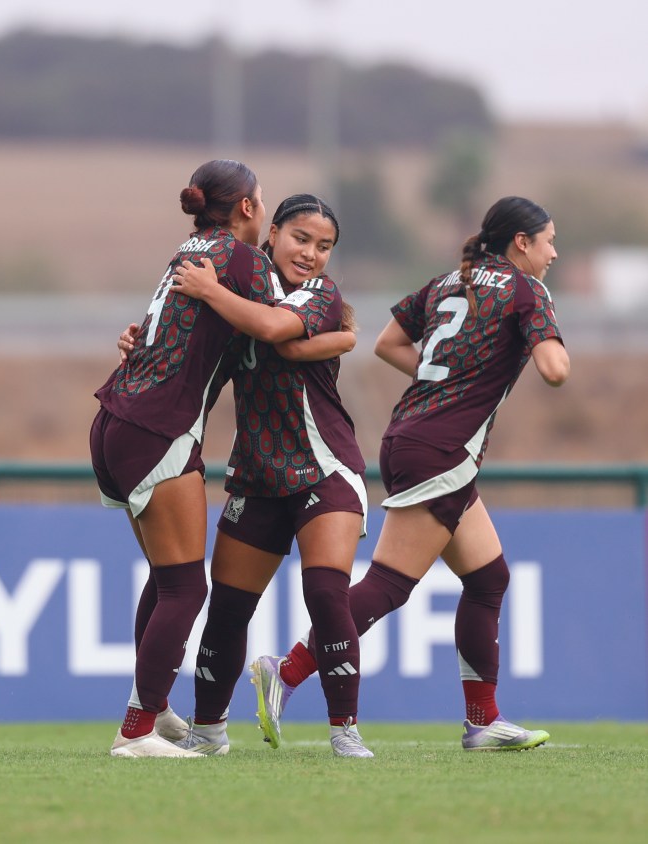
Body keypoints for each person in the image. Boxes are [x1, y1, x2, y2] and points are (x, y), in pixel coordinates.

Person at [251, 195, 571, 751]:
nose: (554, 252)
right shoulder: (527, 290)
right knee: (388, 586)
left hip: (412, 436)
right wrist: (544, 347)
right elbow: (554, 371)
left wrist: (444, 381)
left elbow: (387, 343)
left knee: (488, 578)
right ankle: (285, 672)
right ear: (521, 243)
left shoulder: (451, 280)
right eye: (548, 241)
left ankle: (483, 720)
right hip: (441, 450)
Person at [90, 158, 301, 758]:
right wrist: (344, 331)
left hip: (116, 418)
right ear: (249, 208)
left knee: (167, 577)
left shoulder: (189, 249)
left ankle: (152, 712)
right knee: (186, 586)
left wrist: (140, 340)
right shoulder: (239, 258)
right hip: (157, 426)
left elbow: (180, 332)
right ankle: (134, 732)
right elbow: (283, 325)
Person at [162, 195, 374, 758]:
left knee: (326, 593)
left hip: (325, 468)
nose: (311, 254)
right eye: (300, 239)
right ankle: (208, 733)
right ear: (272, 233)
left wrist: (210, 291)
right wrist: (140, 345)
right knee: (229, 608)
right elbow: (190, 353)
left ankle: (344, 731)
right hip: (257, 473)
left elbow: (276, 327)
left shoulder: (318, 294)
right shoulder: (240, 296)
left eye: (323, 246)